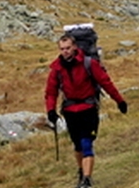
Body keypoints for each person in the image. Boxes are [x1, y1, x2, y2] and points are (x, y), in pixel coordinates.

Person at [45, 34, 128, 188]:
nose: (65, 51)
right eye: (62, 49)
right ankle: (82, 173)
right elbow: (51, 92)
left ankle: (87, 180)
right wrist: (50, 110)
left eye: (68, 48)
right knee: (77, 145)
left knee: (86, 143)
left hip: (88, 109)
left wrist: (119, 101)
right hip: (70, 111)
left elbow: (105, 82)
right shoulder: (57, 69)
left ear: (75, 47)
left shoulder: (89, 63)